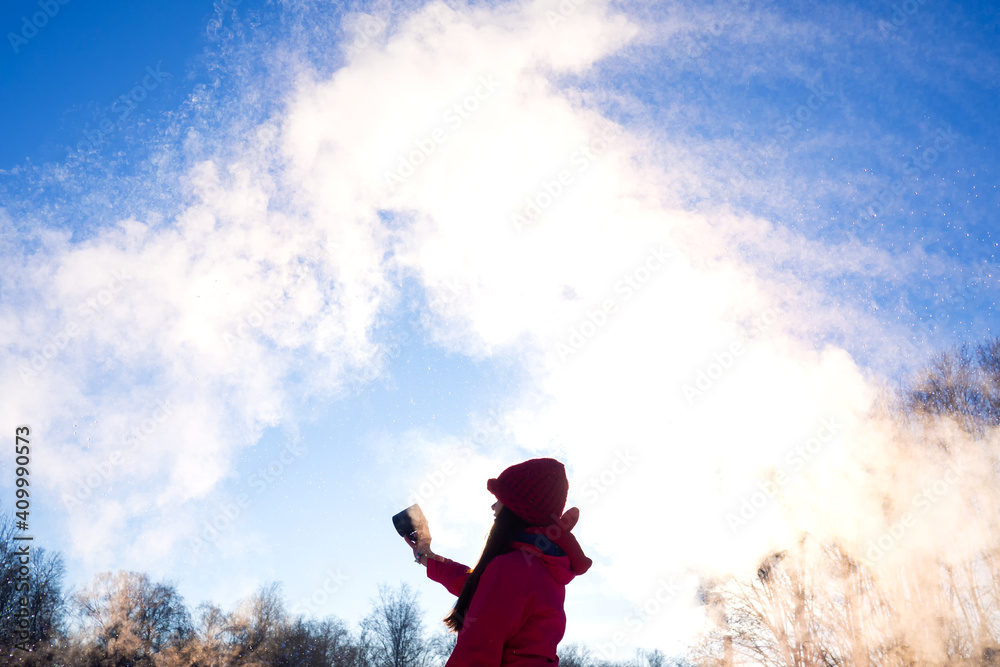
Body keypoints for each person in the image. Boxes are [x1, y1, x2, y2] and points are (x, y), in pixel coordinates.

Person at [403, 457, 592, 666]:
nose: (494, 506)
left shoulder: (513, 569)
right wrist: (427, 557)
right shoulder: (541, 567)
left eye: (500, 498)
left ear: (516, 509)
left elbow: (476, 654)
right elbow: (482, 590)